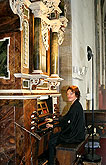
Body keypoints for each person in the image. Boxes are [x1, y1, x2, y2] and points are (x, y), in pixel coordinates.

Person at [45, 85, 85, 165]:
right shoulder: (75, 104)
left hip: (75, 136)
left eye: (71, 93)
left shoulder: (75, 107)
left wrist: (54, 126)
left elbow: (69, 123)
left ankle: (51, 163)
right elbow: (66, 118)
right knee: (53, 137)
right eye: (67, 94)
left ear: (76, 94)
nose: (68, 96)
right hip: (76, 133)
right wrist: (53, 120)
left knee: (52, 141)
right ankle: (54, 160)